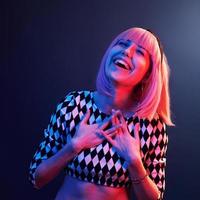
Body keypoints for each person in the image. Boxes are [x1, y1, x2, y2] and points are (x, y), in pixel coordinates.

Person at [29, 27, 174, 200]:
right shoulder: (73, 105)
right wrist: (73, 146)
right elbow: (36, 179)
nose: (127, 52)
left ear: (147, 75)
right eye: (122, 43)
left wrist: (135, 161)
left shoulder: (151, 124)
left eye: (140, 52)